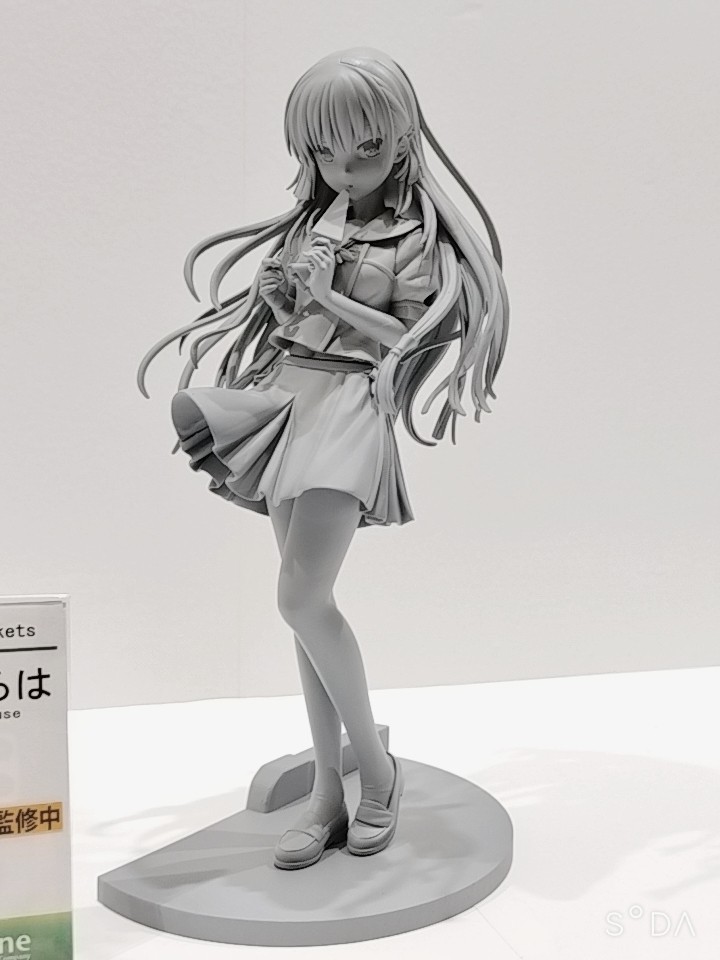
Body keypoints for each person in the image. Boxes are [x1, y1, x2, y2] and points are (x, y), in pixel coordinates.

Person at [138, 47, 509, 870]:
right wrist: (283, 299)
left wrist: (332, 296)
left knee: (301, 598)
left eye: (366, 148)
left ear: (402, 137)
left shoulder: (414, 238)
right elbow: (296, 321)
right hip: (289, 396)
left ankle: (376, 772)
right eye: (325, 152)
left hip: (351, 405)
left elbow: (412, 334)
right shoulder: (317, 222)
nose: (346, 168)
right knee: (304, 611)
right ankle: (327, 793)